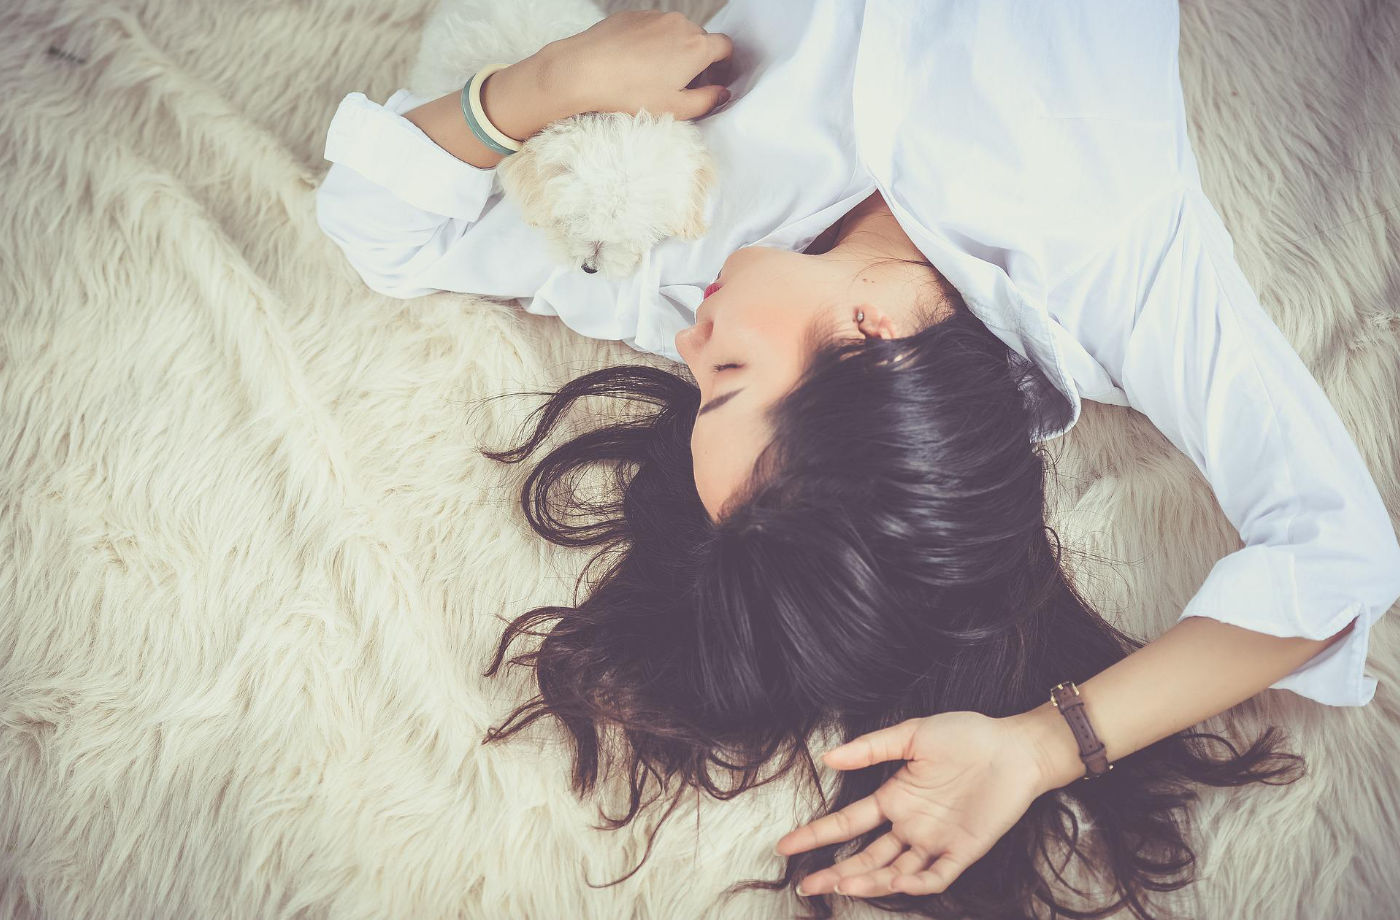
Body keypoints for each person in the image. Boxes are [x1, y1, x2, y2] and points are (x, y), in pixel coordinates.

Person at [314, 2, 1400, 915]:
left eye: (695, 389)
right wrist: (1037, 748)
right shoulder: (1105, 254)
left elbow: (384, 228)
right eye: (726, 375)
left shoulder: (690, 261)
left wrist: (547, 84)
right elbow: (1336, 553)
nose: (687, 342)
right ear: (872, 340)